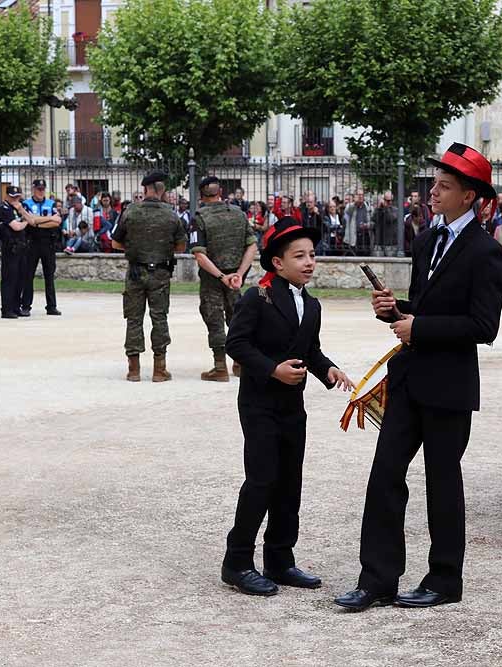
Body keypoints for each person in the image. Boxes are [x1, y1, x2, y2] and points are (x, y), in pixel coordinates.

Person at [335, 143, 502, 612]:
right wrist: (396, 311)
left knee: (442, 482)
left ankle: (445, 579)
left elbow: (483, 327)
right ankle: (377, 580)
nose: (433, 192)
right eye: (435, 183)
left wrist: (421, 326)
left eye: (444, 187)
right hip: (410, 379)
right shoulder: (427, 240)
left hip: (450, 387)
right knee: (385, 475)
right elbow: (425, 311)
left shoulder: (487, 253)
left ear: (469, 197)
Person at [220, 218, 353, 597]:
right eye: (299, 256)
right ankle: (237, 562)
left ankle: (280, 559)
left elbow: (308, 349)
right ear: (277, 263)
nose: (309, 261)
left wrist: (329, 369)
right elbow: (237, 344)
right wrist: (272, 369)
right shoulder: (256, 298)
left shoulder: (311, 305)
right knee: (262, 481)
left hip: (293, 408)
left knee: (289, 482)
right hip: (259, 404)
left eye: (312, 254)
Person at [111, 170, 187, 382]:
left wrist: (136, 245)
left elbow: (115, 242)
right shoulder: (171, 214)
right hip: (161, 272)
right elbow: (181, 246)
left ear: (145, 189)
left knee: (134, 319)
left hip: (135, 271)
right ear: (162, 191)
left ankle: (133, 370)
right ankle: (159, 369)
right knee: (159, 318)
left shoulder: (130, 212)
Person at [189, 176, 258, 382]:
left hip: (213, 278)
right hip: (236, 277)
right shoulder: (238, 214)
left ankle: (220, 367)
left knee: (214, 318)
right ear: (220, 193)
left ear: (201, 196)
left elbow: (199, 254)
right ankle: (240, 363)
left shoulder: (199, 217)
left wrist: (221, 276)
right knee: (237, 318)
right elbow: (252, 246)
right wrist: (238, 273)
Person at [21, 179, 63, 317]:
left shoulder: (51, 204)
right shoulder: (26, 204)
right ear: (33, 189)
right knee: (28, 275)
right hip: (32, 243)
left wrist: (37, 222)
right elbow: (28, 221)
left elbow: (57, 221)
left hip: (48, 243)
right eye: (38, 189)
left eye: (42, 189)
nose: (41, 191)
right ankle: (26, 306)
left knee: (49, 276)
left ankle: (51, 306)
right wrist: (47, 219)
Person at [0, 186, 33, 319]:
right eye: (13, 197)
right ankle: (7, 308)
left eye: (17, 196)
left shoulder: (20, 208)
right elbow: (16, 227)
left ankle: (16, 307)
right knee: (9, 279)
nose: (16, 199)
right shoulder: (3, 209)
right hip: (10, 248)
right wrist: (25, 221)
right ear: (7, 196)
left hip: (22, 247)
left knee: (20, 278)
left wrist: (22, 212)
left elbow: (32, 220)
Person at [371, 191, 400, 256]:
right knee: (377, 264)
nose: (389, 202)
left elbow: (390, 218)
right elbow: (374, 219)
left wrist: (385, 208)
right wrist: (379, 208)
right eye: (387, 200)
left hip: (390, 243)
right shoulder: (378, 209)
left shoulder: (395, 210)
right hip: (378, 242)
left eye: (391, 200)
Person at [343, 189, 370, 253]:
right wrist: (355, 203)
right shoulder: (351, 206)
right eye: (359, 195)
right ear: (355, 196)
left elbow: (371, 220)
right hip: (354, 237)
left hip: (365, 236)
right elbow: (347, 210)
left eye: (362, 195)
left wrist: (367, 225)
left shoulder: (367, 207)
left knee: (365, 258)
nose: (360, 196)